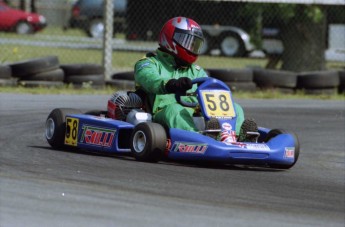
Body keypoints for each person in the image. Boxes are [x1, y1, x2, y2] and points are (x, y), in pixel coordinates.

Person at [134, 16, 257, 142]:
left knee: (235, 108)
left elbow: (209, 93)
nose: (192, 48)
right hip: (162, 113)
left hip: (196, 113)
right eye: (188, 42)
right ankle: (200, 140)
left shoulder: (196, 71)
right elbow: (149, 80)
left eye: (195, 44)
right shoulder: (149, 63)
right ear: (171, 39)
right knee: (175, 110)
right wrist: (170, 84)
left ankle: (235, 138)